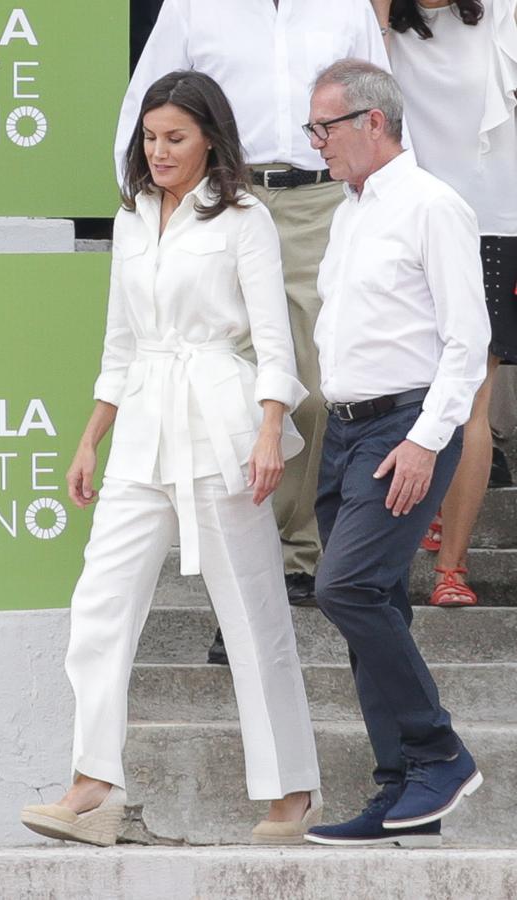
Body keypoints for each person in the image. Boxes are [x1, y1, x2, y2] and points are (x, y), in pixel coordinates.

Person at [20, 70, 322, 847]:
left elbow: (275, 339)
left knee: (252, 610)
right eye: (150, 138)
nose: (158, 151)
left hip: (222, 420)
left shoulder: (245, 216)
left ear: (211, 140)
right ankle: (93, 784)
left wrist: (267, 431)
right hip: (142, 426)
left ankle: (290, 790)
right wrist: (91, 436)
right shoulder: (130, 217)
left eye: (175, 138)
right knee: (98, 604)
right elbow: (121, 342)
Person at [114, 2, 392, 664]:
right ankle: (242, 570)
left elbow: (384, 108)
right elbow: (144, 105)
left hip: (321, 202)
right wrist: (148, 212)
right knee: (231, 400)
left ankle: (297, 555)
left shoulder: (344, 5)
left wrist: (391, 208)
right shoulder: (191, 5)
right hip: (224, 198)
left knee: (319, 386)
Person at [301, 60, 489, 848]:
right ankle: (401, 789)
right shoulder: (350, 210)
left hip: (401, 428)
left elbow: (467, 340)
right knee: (375, 603)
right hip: (345, 431)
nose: (316, 145)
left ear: (373, 122)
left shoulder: (433, 206)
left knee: (342, 588)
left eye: (325, 128)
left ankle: (439, 750)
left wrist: (424, 440)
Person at [369, 0, 517, 605]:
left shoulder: (503, 13)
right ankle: (411, 528)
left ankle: (451, 568)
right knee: (405, 385)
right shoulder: (379, 29)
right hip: (404, 219)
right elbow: (357, 87)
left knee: (471, 397)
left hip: (491, 221)